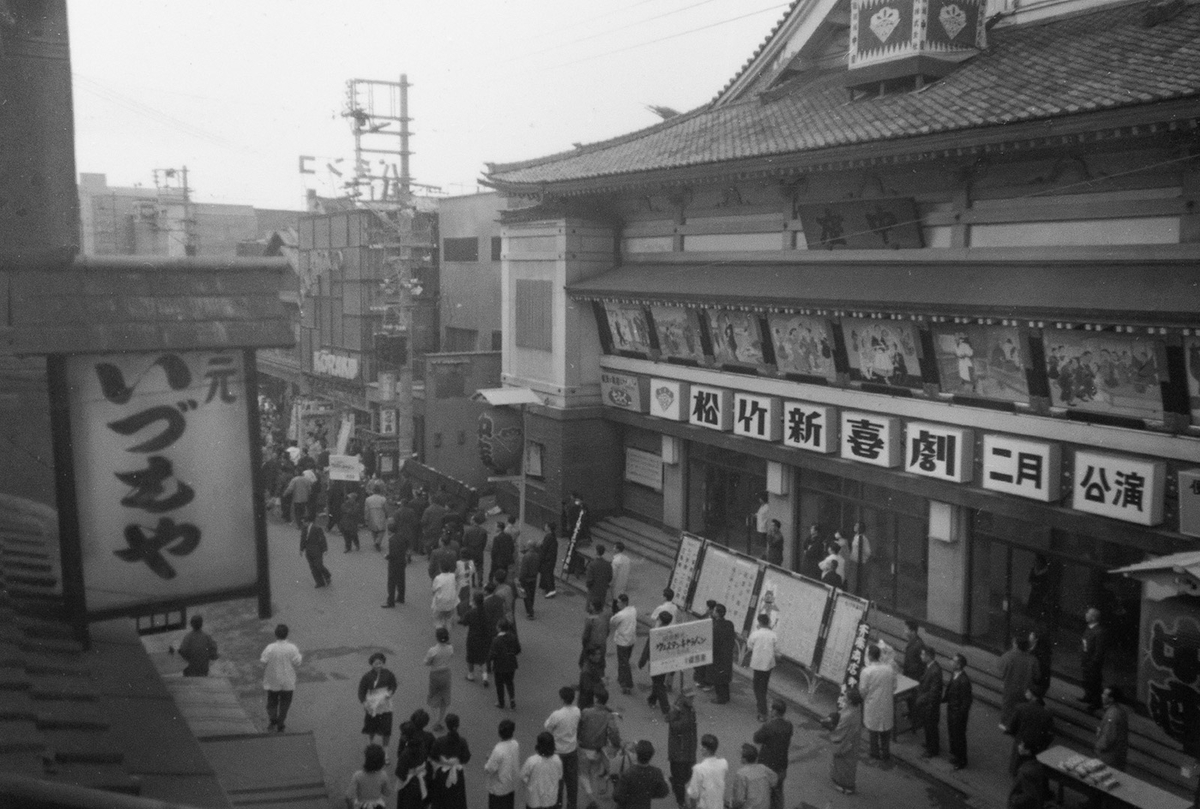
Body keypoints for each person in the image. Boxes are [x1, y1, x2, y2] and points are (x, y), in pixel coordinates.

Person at [578, 689, 621, 801]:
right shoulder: (608, 715)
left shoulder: (586, 712)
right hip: (598, 749)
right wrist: (617, 745)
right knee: (594, 774)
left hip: (584, 748)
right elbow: (614, 732)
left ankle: (591, 798)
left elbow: (578, 727)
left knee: (583, 774)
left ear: (596, 699)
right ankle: (594, 797)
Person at [545, 686, 581, 809]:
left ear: (562, 699)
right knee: (572, 784)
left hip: (558, 752)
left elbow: (548, 727)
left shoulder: (557, 715)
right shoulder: (577, 711)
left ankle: (557, 806)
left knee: (558, 784)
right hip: (572, 751)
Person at [261, 623, 302, 732]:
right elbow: (297, 662)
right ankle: (281, 723)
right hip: (288, 681)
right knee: (285, 704)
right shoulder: (292, 648)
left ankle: (273, 720)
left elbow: (263, 661)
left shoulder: (270, 648)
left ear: (276, 634)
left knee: (272, 702)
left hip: (273, 680)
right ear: (287, 634)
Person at [1007, 683, 1055, 776]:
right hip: (1035, 749)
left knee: (1018, 771)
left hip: (1020, 744)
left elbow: (1012, 727)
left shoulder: (1020, 708)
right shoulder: (1047, 713)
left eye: (1027, 691)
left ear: (1032, 694)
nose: (1026, 692)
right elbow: (1049, 735)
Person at [753, 699, 793, 809]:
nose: (770, 711)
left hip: (767, 766)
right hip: (781, 766)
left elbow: (756, 738)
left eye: (771, 709)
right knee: (778, 794)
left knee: (763, 794)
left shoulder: (769, 726)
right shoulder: (789, 725)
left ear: (775, 711)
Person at [859, 644, 895, 761]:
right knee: (885, 730)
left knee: (873, 730)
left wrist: (866, 697)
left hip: (872, 703)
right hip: (886, 702)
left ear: (869, 656)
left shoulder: (866, 672)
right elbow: (894, 686)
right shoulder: (889, 670)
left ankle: (874, 753)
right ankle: (886, 753)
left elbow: (862, 690)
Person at [428, 713, 471, 809]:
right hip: (457, 773)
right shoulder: (462, 741)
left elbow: (433, 755)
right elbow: (466, 758)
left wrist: (443, 761)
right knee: (457, 799)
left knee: (440, 800)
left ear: (447, 726)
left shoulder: (440, 741)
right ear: (458, 725)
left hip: (442, 773)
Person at [612, 739, 671, 809]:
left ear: (637, 754)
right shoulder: (656, 772)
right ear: (651, 755)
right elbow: (663, 792)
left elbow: (617, 796)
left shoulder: (628, 773)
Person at [998, 634, 1040, 732]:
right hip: (1025, 689)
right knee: (1021, 707)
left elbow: (1000, 670)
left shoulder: (1008, 656)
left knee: (1008, 706)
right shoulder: (1032, 659)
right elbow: (1037, 676)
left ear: (1016, 645)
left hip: (1010, 687)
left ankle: (1006, 725)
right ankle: (1017, 726)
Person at [357, 652, 398, 750]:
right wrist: (364, 702)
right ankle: (369, 746)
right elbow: (361, 691)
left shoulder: (388, 674)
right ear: (372, 664)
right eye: (376, 663)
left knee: (387, 729)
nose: (379, 665)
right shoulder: (367, 677)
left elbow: (393, 685)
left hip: (385, 706)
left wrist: (391, 692)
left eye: (380, 663)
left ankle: (385, 751)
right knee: (371, 728)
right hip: (372, 706)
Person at [667, 688, 698, 807]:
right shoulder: (676, 709)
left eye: (693, 697)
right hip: (678, 751)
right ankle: (681, 801)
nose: (692, 699)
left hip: (690, 749)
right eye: (690, 697)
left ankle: (675, 783)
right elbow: (673, 725)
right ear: (683, 697)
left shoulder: (690, 709)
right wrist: (684, 718)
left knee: (688, 775)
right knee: (680, 780)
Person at [829, 687, 863, 795]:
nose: (844, 698)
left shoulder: (849, 714)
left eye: (846, 697)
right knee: (849, 764)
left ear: (850, 701)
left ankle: (843, 785)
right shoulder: (856, 709)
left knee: (843, 764)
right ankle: (848, 785)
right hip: (852, 740)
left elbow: (840, 729)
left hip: (845, 741)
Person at [639, 611, 674, 716]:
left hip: (655, 662)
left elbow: (647, 649)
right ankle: (652, 700)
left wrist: (642, 661)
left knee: (659, 684)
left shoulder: (655, 632)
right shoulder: (672, 632)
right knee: (658, 682)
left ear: (660, 620)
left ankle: (666, 709)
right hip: (666, 662)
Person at [746, 613, 778, 722]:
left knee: (757, 687)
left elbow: (749, 647)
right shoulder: (773, 635)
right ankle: (763, 706)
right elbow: (776, 649)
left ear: (759, 622)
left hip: (758, 663)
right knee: (763, 686)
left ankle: (763, 711)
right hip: (769, 664)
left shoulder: (755, 634)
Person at [944, 653, 973, 770]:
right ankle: (956, 756)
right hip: (952, 710)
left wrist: (960, 716)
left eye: (954, 661)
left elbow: (966, 702)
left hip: (958, 714)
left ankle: (962, 760)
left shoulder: (964, 681)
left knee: (959, 737)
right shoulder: (955, 674)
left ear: (959, 665)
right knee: (953, 735)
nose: (951, 662)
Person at [484, 718, 520, 809]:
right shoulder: (515, 744)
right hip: (510, 785)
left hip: (498, 789)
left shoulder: (498, 749)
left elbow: (489, 769)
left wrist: (488, 759)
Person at [522, 731, 564, 809]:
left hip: (534, 801)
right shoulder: (557, 760)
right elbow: (559, 777)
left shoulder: (532, 761)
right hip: (551, 800)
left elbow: (523, 777)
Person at [915, 646, 944, 758]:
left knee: (931, 727)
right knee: (928, 726)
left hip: (930, 705)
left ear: (929, 656)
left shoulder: (935, 670)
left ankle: (932, 750)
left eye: (923, 655)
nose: (921, 656)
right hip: (927, 703)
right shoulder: (929, 667)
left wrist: (923, 699)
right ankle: (929, 744)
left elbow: (934, 691)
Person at [686, 734, 728, 809]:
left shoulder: (698, 769)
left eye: (702, 746)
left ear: (705, 749)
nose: (700, 748)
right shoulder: (723, 763)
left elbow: (693, 794)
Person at [343, 743, 390, 809]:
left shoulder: (358, 775)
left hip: (362, 804)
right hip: (377, 805)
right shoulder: (383, 775)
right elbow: (387, 793)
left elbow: (348, 796)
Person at [425, 626, 454, 731]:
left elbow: (426, 662)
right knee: (444, 697)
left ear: (436, 637)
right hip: (446, 674)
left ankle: (436, 720)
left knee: (433, 696)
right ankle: (440, 720)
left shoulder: (433, 650)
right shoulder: (450, 648)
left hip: (435, 675)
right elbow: (451, 656)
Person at [731, 743, 777, 809]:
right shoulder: (763, 768)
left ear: (744, 758)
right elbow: (774, 780)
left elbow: (739, 800)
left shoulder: (741, 774)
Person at [393, 722, 428, 809]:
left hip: (408, 784)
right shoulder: (422, 745)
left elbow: (400, 773)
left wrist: (401, 744)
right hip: (420, 779)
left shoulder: (406, 753)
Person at [1094, 685, 1129, 770]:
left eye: (1104, 694)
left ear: (1111, 699)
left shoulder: (1112, 715)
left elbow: (1108, 737)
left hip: (1109, 757)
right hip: (1117, 754)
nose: (1102, 696)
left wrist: (1098, 747)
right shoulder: (1118, 710)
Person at [490, 619, 522, 709]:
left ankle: (501, 702)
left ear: (499, 628)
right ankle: (512, 699)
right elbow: (518, 649)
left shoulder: (496, 640)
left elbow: (493, 654)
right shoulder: (513, 637)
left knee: (499, 684)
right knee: (509, 682)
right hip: (511, 663)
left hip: (499, 665)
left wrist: (489, 660)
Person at [610, 594, 638, 695]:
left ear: (623, 603)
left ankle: (627, 683)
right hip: (631, 640)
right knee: (625, 661)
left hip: (622, 642)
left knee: (623, 662)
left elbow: (612, 621)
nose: (617, 603)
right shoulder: (633, 610)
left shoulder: (620, 615)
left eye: (618, 602)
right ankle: (621, 678)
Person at [1081, 606, 1108, 712]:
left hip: (1093, 662)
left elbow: (1099, 650)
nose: (1086, 615)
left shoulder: (1099, 632)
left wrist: (1093, 662)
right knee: (1086, 679)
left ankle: (1096, 702)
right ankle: (1088, 696)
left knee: (1094, 681)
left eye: (1088, 614)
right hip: (1086, 659)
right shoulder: (1089, 628)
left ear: (1093, 618)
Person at [461, 591, 491, 684]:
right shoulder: (486, 612)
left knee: (470, 657)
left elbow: (464, 622)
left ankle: (471, 675)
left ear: (474, 601)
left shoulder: (471, 612)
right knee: (483, 657)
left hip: (473, 637)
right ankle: (485, 677)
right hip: (484, 637)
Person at [381, 510, 408, 607]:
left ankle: (390, 601)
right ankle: (401, 597)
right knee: (401, 580)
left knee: (391, 583)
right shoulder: (402, 536)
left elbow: (392, 554)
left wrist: (386, 556)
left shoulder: (392, 540)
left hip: (394, 563)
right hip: (402, 561)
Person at [1007, 741, 1046, 809]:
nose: (1019, 746)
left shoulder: (1026, 772)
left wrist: (1014, 801)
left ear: (1027, 751)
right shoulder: (1035, 765)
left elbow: (1029, 794)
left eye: (1022, 746)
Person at [710, 603, 736, 705]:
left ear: (717, 613)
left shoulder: (716, 627)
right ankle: (726, 696)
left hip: (718, 655)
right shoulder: (729, 624)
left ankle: (720, 698)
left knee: (718, 677)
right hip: (727, 654)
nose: (713, 612)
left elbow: (714, 642)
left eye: (714, 611)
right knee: (724, 676)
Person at [902, 619, 927, 722]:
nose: (904, 631)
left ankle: (916, 716)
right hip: (909, 675)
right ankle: (912, 713)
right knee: (910, 698)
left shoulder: (919, 644)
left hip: (914, 676)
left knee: (914, 697)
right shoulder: (913, 642)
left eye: (906, 629)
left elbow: (923, 662)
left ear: (913, 631)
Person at [299, 513, 332, 588]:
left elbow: (322, 539)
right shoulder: (304, 529)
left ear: (308, 522)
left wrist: (325, 549)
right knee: (312, 567)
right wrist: (301, 549)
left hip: (317, 549)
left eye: (303, 522)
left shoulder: (317, 528)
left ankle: (327, 575)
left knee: (318, 565)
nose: (303, 524)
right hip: (308, 550)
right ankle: (320, 582)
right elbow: (302, 539)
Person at [431, 559, 459, 632]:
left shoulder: (438, 578)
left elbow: (434, 590)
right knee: (448, 620)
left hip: (440, 603)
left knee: (438, 620)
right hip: (451, 602)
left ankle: (440, 635)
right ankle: (447, 636)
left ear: (440, 568)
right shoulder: (453, 576)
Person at [463, 512, 489, 587]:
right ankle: (480, 580)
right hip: (479, 551)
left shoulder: (468, 530)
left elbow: (464, 541)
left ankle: (473, 582)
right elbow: (485, 542)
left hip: (470, 551)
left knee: (471, 567)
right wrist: (481, 549)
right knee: (480, 567)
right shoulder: (483, 531)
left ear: (474, 521)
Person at [518, 538, 541, 620]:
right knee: (531, 595)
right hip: (534, 578)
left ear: (529, 546)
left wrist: (520, 579)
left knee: (526, 596)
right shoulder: (537, 555)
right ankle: (531, 608)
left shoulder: (526, 556)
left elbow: (523, 570)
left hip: (526, 579)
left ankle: (530, 612)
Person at [578, 645, 607, 710]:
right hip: (585, 701)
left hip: (589, 699)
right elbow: (588, 687)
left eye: (599, 654)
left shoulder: (593, 664)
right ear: (591, 656)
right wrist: (601, 683)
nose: (599, 656)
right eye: (597, 654)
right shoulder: (587, 671)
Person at [585, 544, 613, 608]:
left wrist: (589, 587)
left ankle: (592, 617)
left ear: (596, 552)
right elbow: (610, 577)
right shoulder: (608, 564)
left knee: (592, 608)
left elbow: (589, 580)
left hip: (593, 590)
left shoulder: (592, 565)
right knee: (599, 608)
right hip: (603, 590)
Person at [363, 482, 388, 551]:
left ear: (373, 491)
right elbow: (386, 509)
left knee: (373, 530)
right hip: (380, 515)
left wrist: (366, 518)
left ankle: (376, 542)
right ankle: (377, 542)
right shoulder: (383, 499)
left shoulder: (368, 499)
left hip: (371, 515)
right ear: (379, 491)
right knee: (382, 530)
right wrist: (386, 515)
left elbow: (366, 510)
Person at [848, 521, 872, 594]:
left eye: (856, 525)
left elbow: (868, 552)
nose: (854, 526)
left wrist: (863, 558)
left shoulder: (863, 539)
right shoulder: (856, 536)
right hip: (853, 561)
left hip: (859, 563)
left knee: (856, 582)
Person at [1028, 626, 1053, 693]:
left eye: (1032, 634)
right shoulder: (1042, 653)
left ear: (1036, 639)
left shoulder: (1036, 654)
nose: (1029, 635)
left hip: (1036, 686)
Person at [539, 522, 560, 597]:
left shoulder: (549, 537)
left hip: (547, 561)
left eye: (546, 526)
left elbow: (544, 549)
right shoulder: (552, 537)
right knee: (549, 574)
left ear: (548, 528)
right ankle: (549, 588)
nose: (544, 527)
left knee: (547, 575)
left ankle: (551, 590)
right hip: (551, 560)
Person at [751, 491, 770, 556]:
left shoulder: (767, 507)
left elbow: (764, 515)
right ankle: (763, 554)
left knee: (763, 542)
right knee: (760, 541)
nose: (759, 500)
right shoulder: (762, 506)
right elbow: (760, 514)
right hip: (760, 526)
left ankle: (764, 554)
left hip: (763, 527)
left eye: (760, 499)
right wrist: (755, 515)